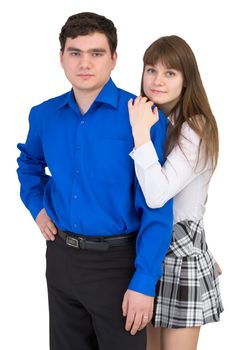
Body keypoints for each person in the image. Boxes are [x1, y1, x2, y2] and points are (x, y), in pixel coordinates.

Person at [16, 13, 173, 350]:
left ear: (114, 59)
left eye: (96, 53)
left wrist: (144, 281)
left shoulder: (143, 116)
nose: (85, 63)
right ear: (61, 58)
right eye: (75, 52)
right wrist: (38, 207)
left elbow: (157, 205)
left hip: (119, 266)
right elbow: (28, 164)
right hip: (61, 260)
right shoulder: (44, 115)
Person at [128, 35, 223, 350]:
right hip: (148, 250)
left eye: (170, 73)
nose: (157, 80)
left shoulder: (194, 127)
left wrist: (139, 134)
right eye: (151, 70)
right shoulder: (157, 122)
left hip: (180, 255)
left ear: (186, 81)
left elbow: (158, 195)